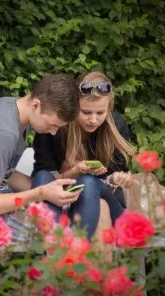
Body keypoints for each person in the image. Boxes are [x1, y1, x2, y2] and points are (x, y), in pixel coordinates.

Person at [0, 73, 83, 243]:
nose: (53, 131)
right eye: (53, 124)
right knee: (55, 232)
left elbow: (5, 173)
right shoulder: (4, 133)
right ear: (36, 105)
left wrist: (49, 189)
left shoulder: (12, 108)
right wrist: (41, 192)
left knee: (60, 217)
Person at [32, 71, 135, 240]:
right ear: (74, 106)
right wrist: (75, 171)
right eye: (86, 112)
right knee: (43, 176)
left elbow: (115, 178)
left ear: (109, 108)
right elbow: (45, 174)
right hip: (60, 197)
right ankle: (56, 244)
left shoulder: (116, 126)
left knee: (87, 182)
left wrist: (118, 178)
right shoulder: (53, 125)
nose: (93, 120)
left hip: (105, 197)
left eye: (100, 113)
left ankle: (74, 252)